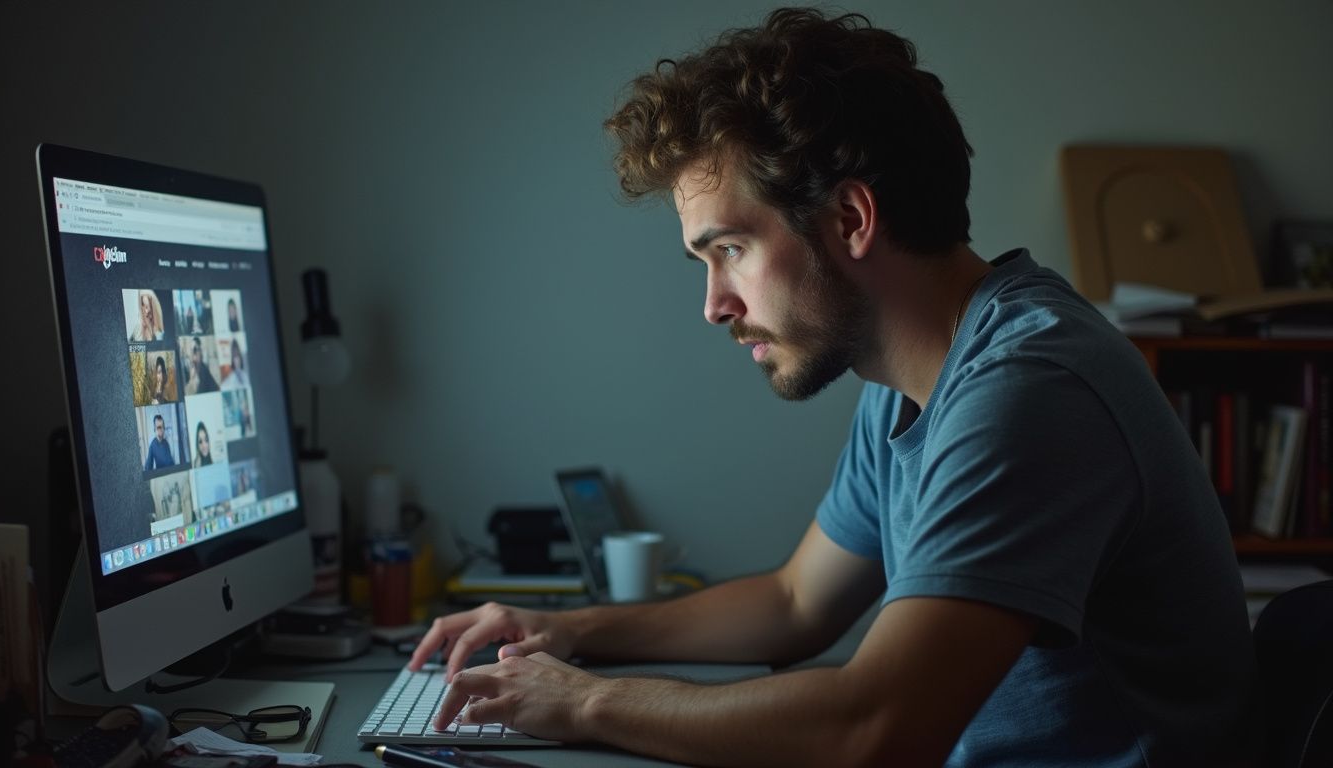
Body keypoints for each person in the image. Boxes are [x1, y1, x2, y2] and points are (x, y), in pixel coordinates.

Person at [410, 9, 1257, 767]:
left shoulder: (1029, 391)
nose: (713, 306)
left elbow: (878, 730)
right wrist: (565, 631)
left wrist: (587, 702)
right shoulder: (911, 380)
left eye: (730, 249)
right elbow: (795, 602)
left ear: (851, 220)